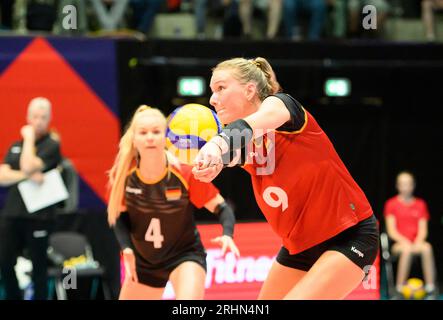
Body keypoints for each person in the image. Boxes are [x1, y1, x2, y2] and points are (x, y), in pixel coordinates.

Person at [192, 57, 379, 299]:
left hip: (348, 234)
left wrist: (217, 145)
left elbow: (249, 126)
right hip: (300, 246)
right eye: (212, 91)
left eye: (220, 88)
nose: (212, 99)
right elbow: (231, 150)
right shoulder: (246, 143)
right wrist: (212, 163)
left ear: (250, 90)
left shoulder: (281, 106)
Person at [107, 105, 240, 300]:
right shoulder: (124, 176)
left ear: (167, 137)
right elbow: (118, 217)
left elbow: (221, 208)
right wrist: (126, 248)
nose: (150, 137)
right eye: (143, 133)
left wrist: (228, 234)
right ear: (134, 139)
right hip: (145, 262)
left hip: (185, 256)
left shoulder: (184, 173)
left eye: (156, 131)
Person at [0, 97, 62, 300]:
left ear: (50, 119)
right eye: (34, 116)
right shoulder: (14, 146)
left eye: (43, 117)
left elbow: (27, 164)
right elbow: (2, 176)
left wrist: (28, 138)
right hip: (13, 214)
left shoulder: (51, 145)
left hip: (39, 216)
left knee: (39, 267)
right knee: (5, 261)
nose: (38, 121)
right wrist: (27, 176)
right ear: (28, 117)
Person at [384, 171, 437, 296]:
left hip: (417, 242)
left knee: (427, 248)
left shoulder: (420, 204)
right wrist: (405, 241)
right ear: (397, 186)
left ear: (413, 185)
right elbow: (391, 231)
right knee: (407, 249)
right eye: (402, 184)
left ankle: (430, 288)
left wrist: (418, 241)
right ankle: (399, 288)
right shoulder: (391, 204)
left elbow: (423, 229)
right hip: (399, 244)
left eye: (408, 184)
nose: (405, 187)